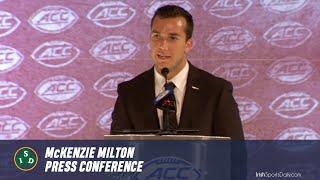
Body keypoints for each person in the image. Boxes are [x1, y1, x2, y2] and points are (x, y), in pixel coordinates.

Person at [110, 5, 244, 140]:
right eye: (156, 36)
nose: (162, 46)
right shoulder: (129, 93)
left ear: (188, 44)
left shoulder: (216, 91)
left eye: (172, 38)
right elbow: (119, 154)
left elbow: (235, 155)